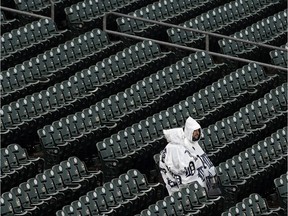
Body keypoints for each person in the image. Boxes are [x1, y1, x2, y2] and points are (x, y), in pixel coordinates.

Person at [159, 116, 221, 196]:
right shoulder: (174, 148)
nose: (197, 133)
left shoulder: (194, 144)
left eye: (198, 131)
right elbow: (177, 167)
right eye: (194, 131)